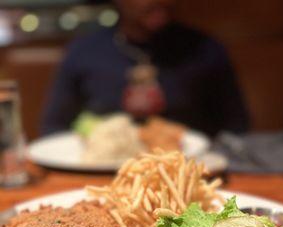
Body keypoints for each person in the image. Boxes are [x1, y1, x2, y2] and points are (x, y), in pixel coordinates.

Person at [42, 0, 249, 136]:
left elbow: (237, 126)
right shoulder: (83, 51)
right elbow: (53, 128)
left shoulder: (206, 49)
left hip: (189, 170)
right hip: (101, 174)